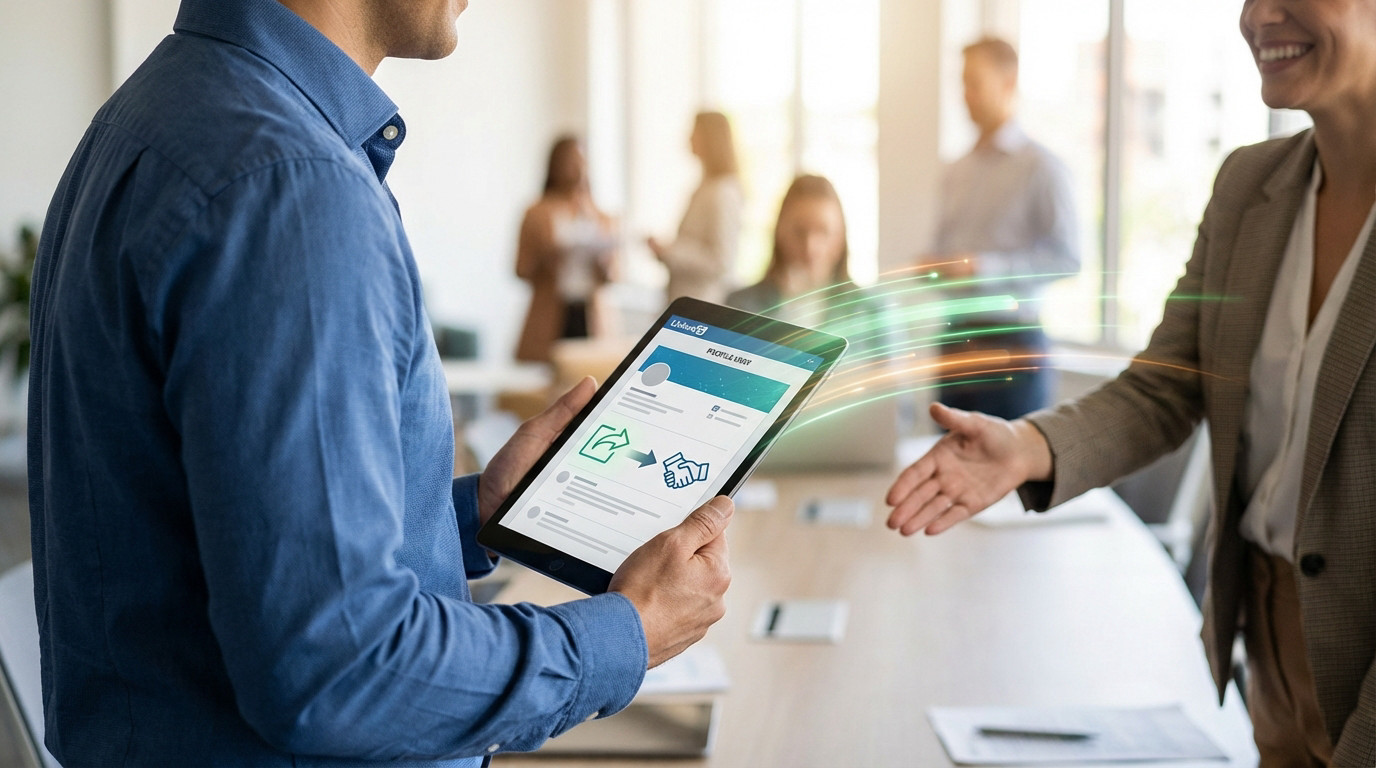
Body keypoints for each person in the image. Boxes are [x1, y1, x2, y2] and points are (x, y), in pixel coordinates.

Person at [26, 0, 733, 765]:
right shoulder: (291, 188)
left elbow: (217, 539)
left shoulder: (154, 114)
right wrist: (626, 632)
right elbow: (341, 669)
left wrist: (470, 514)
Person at [887, 2, 1376, 764]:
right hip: (1270, 648)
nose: (1259, 15)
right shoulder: (1252, 186)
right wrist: (1025, 446)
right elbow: (1167, 384)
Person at [923, 37, 1079, 420]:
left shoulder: (1041, 168)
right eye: (962, 83)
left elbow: (1067, 259)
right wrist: (933, 268)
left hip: (1012, 347)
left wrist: (981, 267)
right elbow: (945, 247)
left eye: (975, 82)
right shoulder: (955, 170)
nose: (965, 94)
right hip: (955, 339)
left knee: (1009, 472)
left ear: (1008, 83)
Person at [727, 174, 887, 356]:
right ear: (780, 232)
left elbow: (892, 381)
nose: (810, 247)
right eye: (799, 231)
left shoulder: (871, 309)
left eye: (824, 231)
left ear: (840, 237)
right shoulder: (740, 305)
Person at [515, 135, 618, 362]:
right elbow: (521, 269)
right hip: (549, 315)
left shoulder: (602, 217)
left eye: (581, 160)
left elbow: (615, 275)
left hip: (592, 315)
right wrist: (548, 256)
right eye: (569, 160)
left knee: (593, 376)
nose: (576, 167)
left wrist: (602, 261)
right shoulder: (536, 213)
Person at [647, 111, 744, 304]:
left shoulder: (723, 192)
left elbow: (721, 260)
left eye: (694, 132)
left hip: (703, 302)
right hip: (683, 299)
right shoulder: (704, 187)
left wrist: (671, 251)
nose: (689, 138)